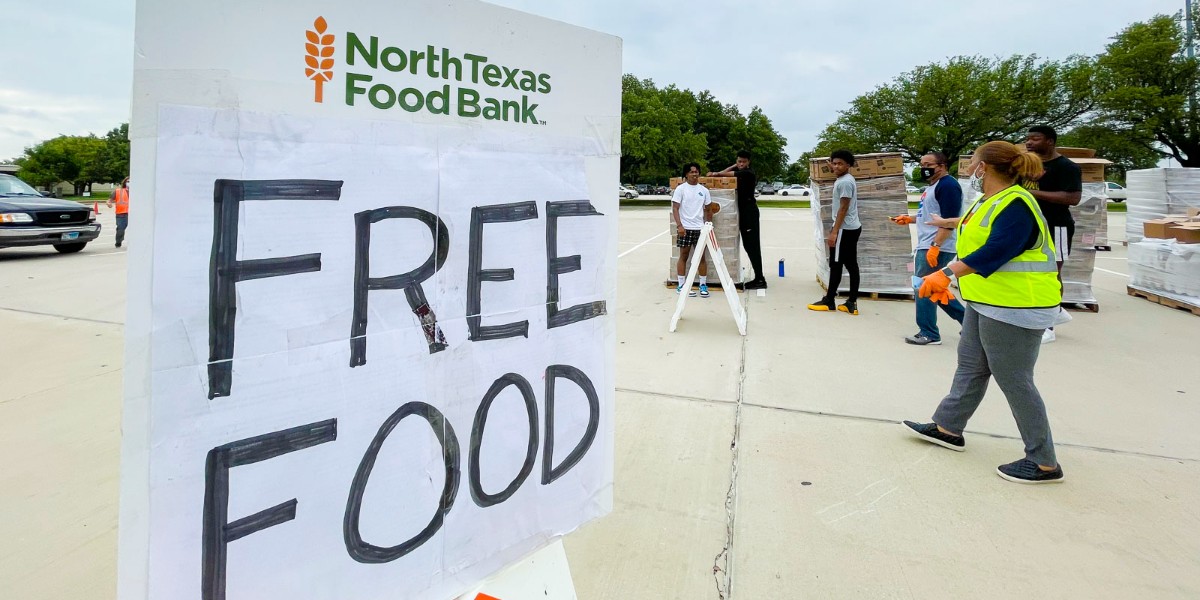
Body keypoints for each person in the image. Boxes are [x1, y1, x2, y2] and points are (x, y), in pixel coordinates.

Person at [902, 140, 1065, 484]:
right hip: (986, 301)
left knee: (1015, 380)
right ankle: (948, 427)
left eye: (974, 161)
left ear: (986, 167)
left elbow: (998, 249)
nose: (971, 168)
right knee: (971, 366)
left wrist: (944, 274)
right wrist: (943, 222)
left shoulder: (1018, 202)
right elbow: (977, 226)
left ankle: (1044, 461)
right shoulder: (990, 200)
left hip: (1016, 306)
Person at [890, 152, 965, 345]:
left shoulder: (948, 186)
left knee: (922, 287)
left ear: (941, 165)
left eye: (928, 164)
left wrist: (936, 246)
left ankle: (929, 333)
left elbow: (949, 221)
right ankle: (969, 323)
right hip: (929, 243)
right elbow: (932, 216)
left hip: (937, 245)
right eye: (922, 164)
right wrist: (910, 219)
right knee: (935, 289)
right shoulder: (932, 186)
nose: (924, 168)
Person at [1024, 125, 1081, 344]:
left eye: (1035, 139)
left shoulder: (1066, 167)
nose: (1029, 143)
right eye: (1027, 139)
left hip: (1056, 226)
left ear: (1050, 141)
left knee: (1052, 272)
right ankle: (1054, 311)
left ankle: (1049, 325)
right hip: (1032, 226)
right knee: (1034, 272)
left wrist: (1032, 193)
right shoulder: (1027, 165)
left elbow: (1073, 198)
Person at [808, 150, 861, 315]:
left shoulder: (844, 183)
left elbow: (843, 207)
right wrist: (830, 164)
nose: (836, 166)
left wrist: (834, 232)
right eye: (834, 163)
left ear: (849, 165)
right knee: (851, 264)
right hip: (852, 227)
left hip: (844, 229)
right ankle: (851, 303)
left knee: (836, 264)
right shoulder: (846, 178)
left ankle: (829, 300)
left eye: (840, 164)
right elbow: (835, 168)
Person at [709, 150, 766, 289]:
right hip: (742, 212)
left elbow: (723, 174)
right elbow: (725, 172)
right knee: (748, 245)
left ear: (748, 162)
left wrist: (716, 173)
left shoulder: (748, 174)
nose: (741, 164)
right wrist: (733, 165)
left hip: (749, 213)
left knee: (752, 246)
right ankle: (759, 277)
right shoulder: (740, 171)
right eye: (739, 161)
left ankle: (760, 279)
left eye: (743, 162)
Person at [672, 163, 719, 298]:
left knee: (701, 257)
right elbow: (675, 208)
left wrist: (708, 225)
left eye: (697, 172)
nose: (694, 174)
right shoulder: (681, 189)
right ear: (686, 174)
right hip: (685, 229)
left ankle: (703, 285)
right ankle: (682, 285)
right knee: (684, 256)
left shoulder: (703, 190)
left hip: (700, 229)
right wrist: (680, 225)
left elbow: (709, 209)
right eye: (692, 172)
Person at [107, 176, 130, 247]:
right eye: (128, 181)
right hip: (121, 213)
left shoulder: (138, 192)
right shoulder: (117, 191)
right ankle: (118, 241)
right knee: (120, 229)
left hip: (133, 214)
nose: (129, 183)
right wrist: (109, 203)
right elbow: (109, 200)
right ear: (125, 182)